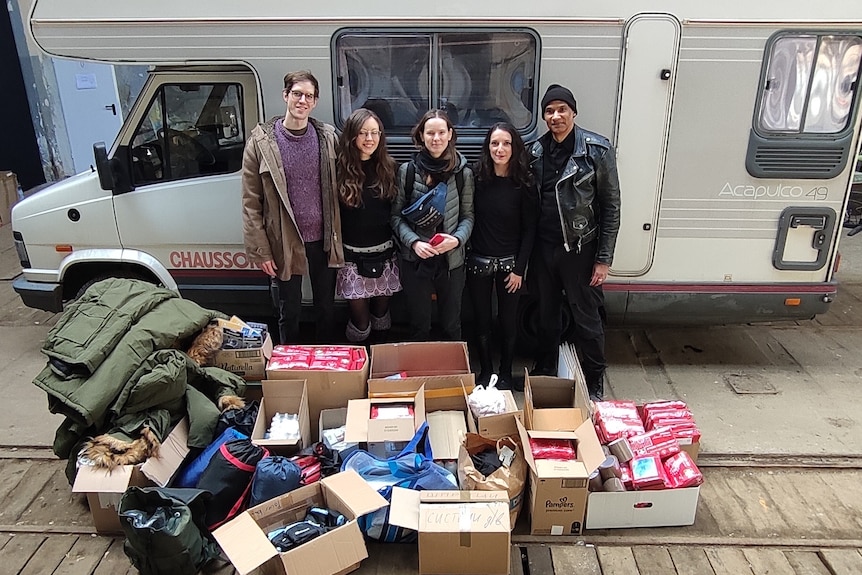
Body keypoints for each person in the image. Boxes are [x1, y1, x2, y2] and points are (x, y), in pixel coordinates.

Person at [528, 84, 621, 401]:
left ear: (573, 112)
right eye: (550, 111)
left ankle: (595, 379)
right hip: (544, 250)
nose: (556, 116)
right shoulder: (536, 152)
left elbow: (611, 206)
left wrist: (603, 258)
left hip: (581, 250)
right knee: (546, 315)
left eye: (562, 110)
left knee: (587, 317)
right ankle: (545, 369)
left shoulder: (597, 150)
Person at [241, 70, 344, 344]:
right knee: (290, 309)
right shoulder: (261, 144)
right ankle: (290, 364)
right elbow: (251, 202)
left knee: (326, 306)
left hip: (324, 238)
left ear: (315, 101)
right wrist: (261, 250)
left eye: (309, 96)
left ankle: (326, 364)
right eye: (297, 94)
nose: (302, 100)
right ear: (285, 95)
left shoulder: (327, 138)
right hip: (284, 240)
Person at [392, 109, 474, 341]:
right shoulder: (407, 172)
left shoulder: (462, 173)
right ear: (421, 136)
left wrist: (456, 240)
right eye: (430, 133)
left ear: (450, 135)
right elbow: (396, 217)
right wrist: (415, 242)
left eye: (441, 132)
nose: (436, 138)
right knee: (419, 326)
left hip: (451, 262)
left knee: (451, 325)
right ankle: (422, 375)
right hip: (415, 261)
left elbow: (468, 216)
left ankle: (453, 375)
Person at [467, 122, 537, 390]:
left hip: (511, 267)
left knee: (508, 323)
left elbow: (530, 230)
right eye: (495, 143)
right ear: (488, 147)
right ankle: (486, 372)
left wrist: (520, 269)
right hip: (479, 264)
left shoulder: (524, 182)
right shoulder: (477, 178)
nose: (500, 148)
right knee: (481, 321)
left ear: (514, 147)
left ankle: (506, 372)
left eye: (506, 143)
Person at [335, 108, 402, 342]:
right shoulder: (338, 170)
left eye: (375, 132)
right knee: (361, 323)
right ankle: (359, 369)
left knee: (381, 317)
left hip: (385, 255)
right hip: (352, 259)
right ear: (352, 136)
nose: (369, 139)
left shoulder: (390, 168)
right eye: (363, 133)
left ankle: (380, 371)